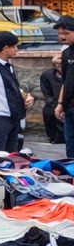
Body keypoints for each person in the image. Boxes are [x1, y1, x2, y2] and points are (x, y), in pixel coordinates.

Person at [0, 31, 31, 153]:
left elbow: (8, 88)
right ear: (5, 48)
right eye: (14, 46)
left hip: (12, 116)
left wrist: (24, 97)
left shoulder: (8, 66)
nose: (16, 49)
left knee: (11, 155)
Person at [54, 16, 74, 157]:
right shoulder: (66, 53)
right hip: (69, 107)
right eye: (60, 33)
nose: (62, 37)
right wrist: (60, 103)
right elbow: (65, 81)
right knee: (70, 144)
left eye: (66, 33)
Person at [41, 54, 63, 144]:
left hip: (68, 102)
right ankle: (52, 136)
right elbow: (47, 94)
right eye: (57, 64)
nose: (59, 66)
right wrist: (56, 105)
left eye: (61, 64)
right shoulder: (47, 75)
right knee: (49, 112)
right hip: (53, 103)